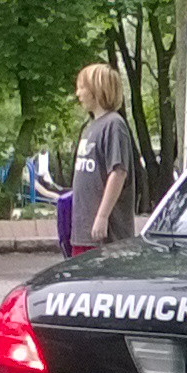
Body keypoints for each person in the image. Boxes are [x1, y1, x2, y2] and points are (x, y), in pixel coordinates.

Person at [69, 62, 136, 254]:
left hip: (105, 236)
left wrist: (102, 216)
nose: (78, 94)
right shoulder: (90, 127)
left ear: (97, 90)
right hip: (84, 233)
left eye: (82, 87)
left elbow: (118, 172)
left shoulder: (114, 125)